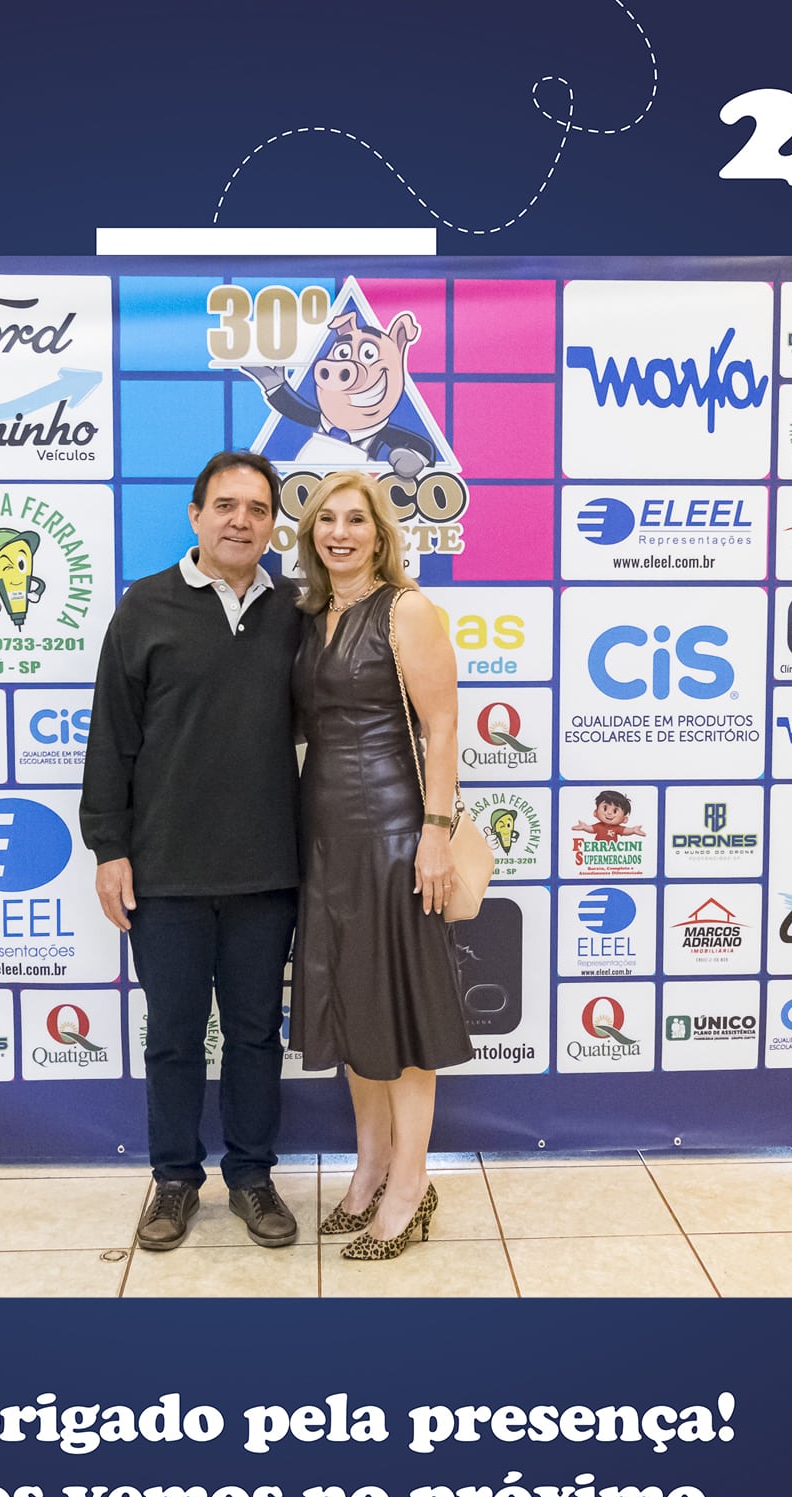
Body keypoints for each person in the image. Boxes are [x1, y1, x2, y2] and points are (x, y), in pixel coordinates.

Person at [81, 451, 305, 1251]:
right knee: (174, 1036)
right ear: (196, 515)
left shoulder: (298, 611)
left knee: (255, 1035)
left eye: (257, 508)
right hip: (165, 870)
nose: (241, 521)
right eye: (226, 506)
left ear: (273, 524)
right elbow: (112, 736)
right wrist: (109, 847)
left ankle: (251, 1176)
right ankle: (174, 1179)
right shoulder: (145, 605)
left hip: (267, 870)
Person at [288, 469, 473, 1262]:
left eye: (355, 520)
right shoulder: (308, 618)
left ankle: (410, 1185)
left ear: (379, 533)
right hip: (323, 832)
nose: (340, 533)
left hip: (396, 831)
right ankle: (369, 1169)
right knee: (351, 1008)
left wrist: (434, 833)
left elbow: (442, 728)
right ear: (311, 535)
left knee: (399, 1010)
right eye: (326, 520)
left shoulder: (407, 610)